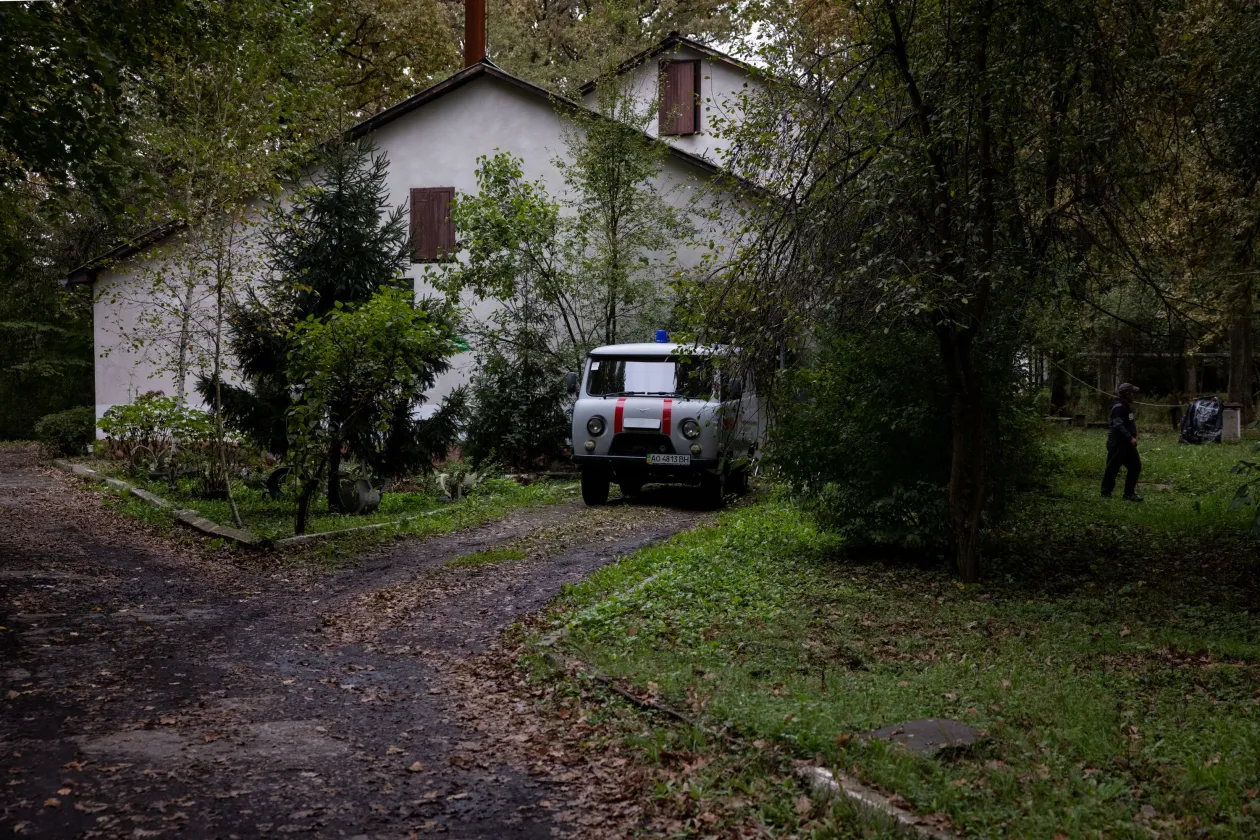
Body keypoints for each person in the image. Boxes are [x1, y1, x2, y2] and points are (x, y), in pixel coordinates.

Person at [1102, 383, 1143, 501]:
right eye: (1132, 393)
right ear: (1127, 394)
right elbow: (1117, 425)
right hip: (1118, 443)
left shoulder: (1126, 406)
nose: (1134, 396)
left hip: (1127, 444)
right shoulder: (1119, 407)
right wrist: (1130, 437)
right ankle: (1105, 493)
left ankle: (1129, 494)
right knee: (1112, 468)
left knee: (1135, 466)